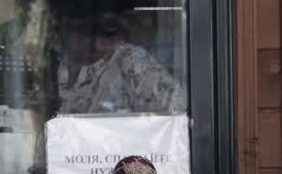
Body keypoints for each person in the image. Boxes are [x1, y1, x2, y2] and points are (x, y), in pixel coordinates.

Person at [58, 11, 186, 115]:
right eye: (80, 30)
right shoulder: (63, 67)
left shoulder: (131, 60)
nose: (99, 38)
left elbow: (175, 107)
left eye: (110, 31)